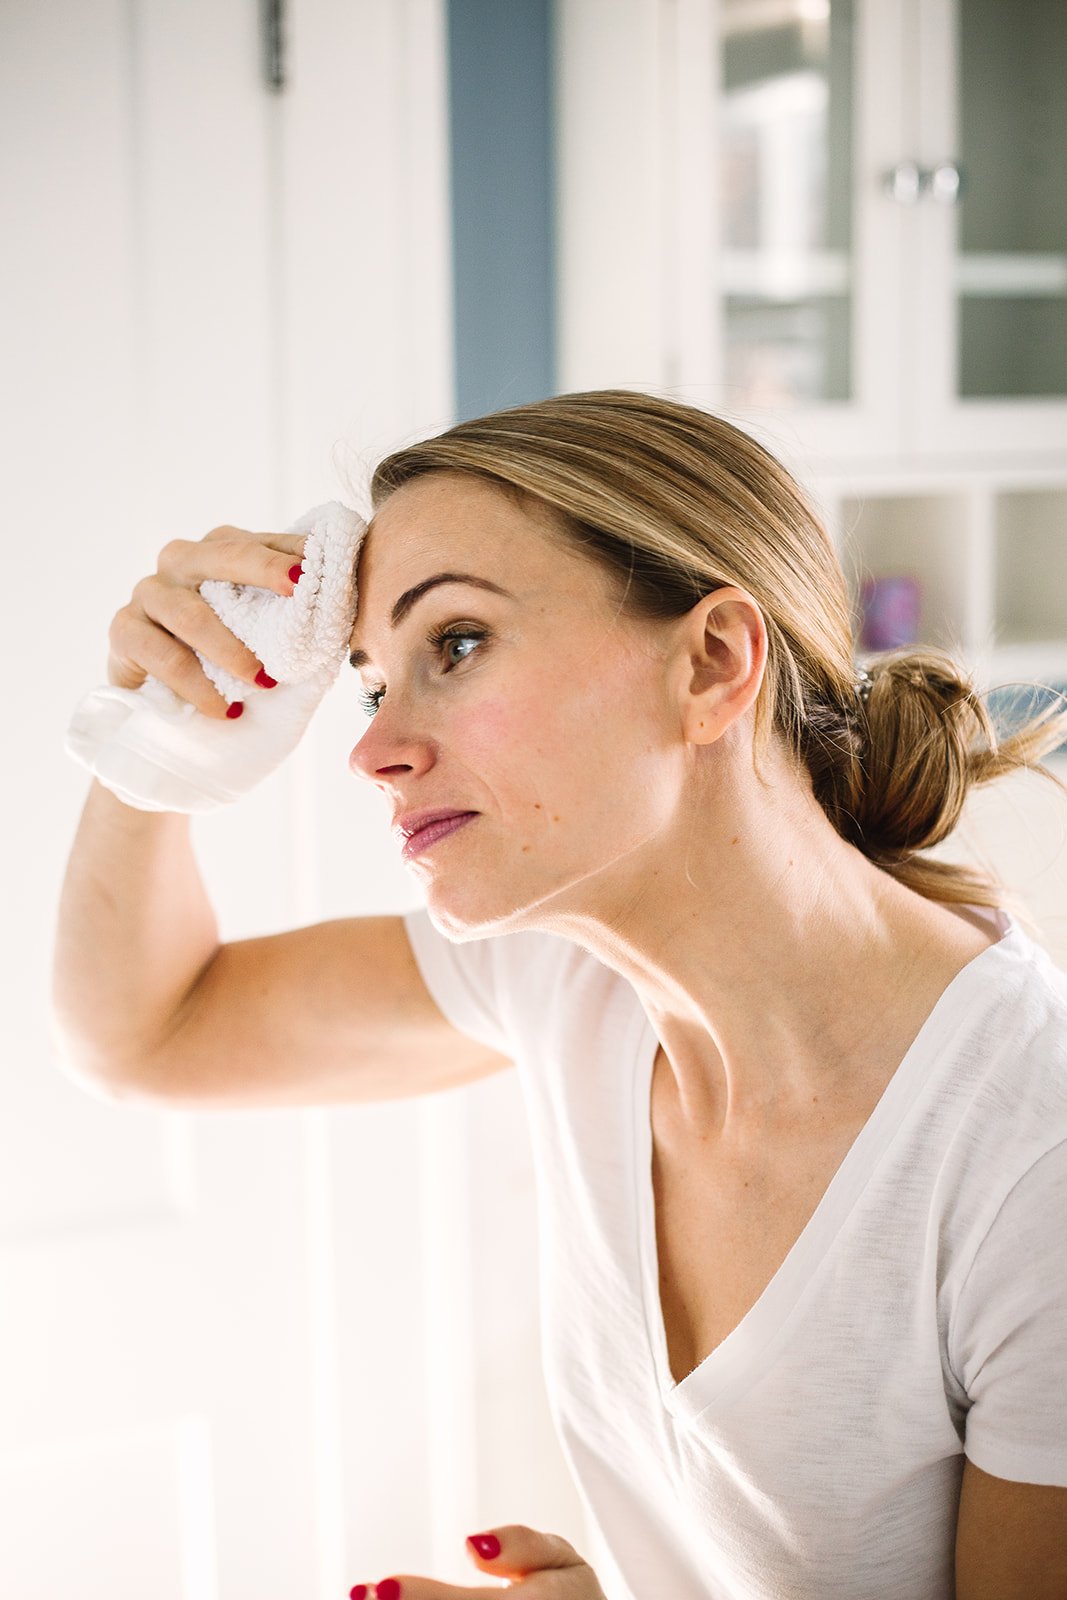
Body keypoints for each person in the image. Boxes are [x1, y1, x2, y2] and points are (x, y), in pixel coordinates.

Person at [53, 389, 1067, 1600]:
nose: (370, 751)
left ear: (711, 662)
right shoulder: (569, 963)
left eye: (458, 643)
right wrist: (158, 737)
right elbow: (148, 1033)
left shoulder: (1028, 1165)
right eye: (376, 684)